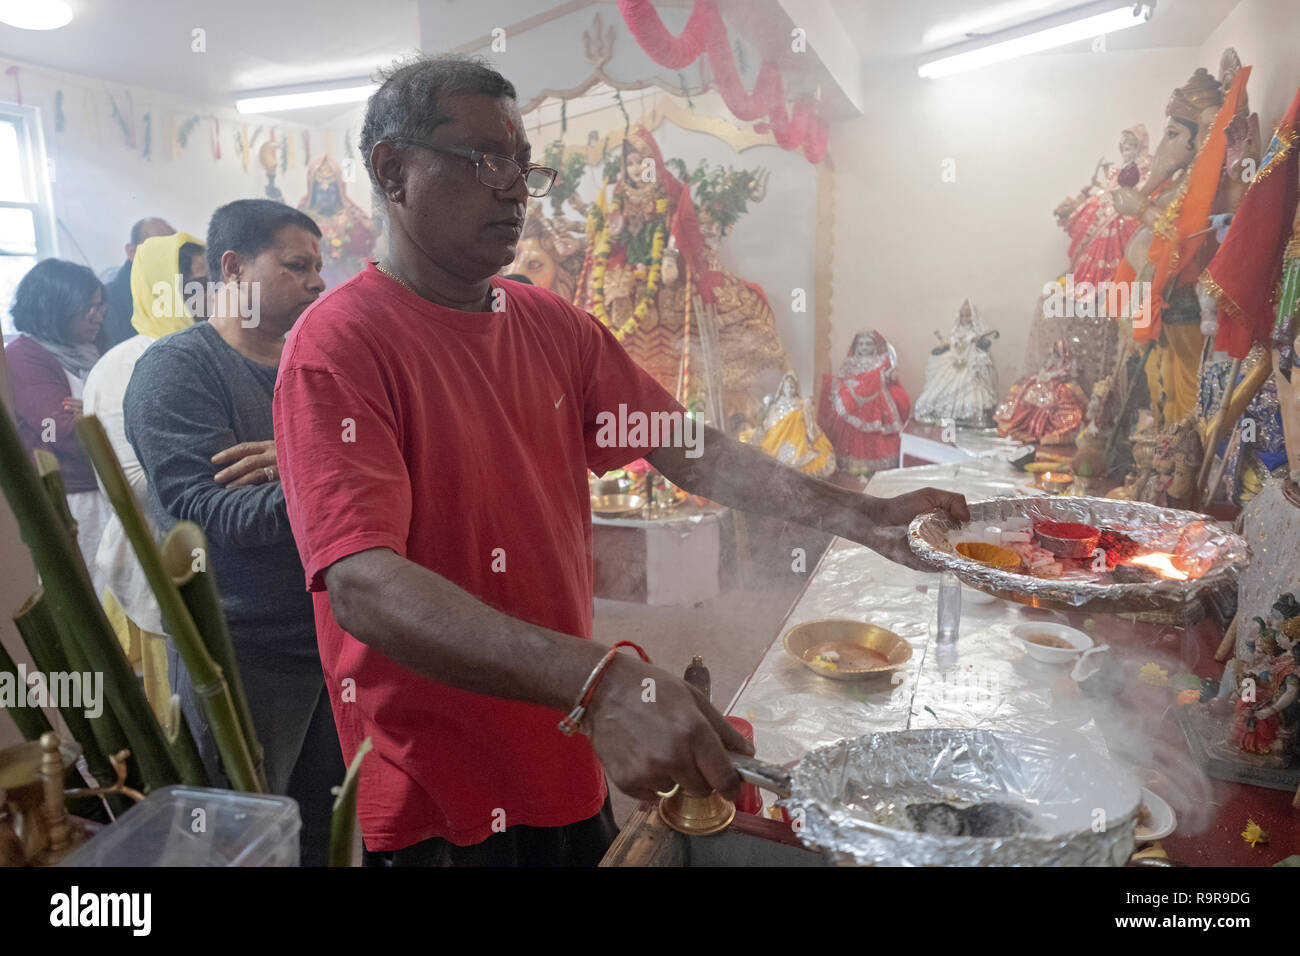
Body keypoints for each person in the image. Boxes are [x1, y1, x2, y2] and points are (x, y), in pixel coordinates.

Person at [272, 55, 967, 868]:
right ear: (392, 169)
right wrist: (598, 683)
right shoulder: (338, 345)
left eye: (525, 167)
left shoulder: (551, 326)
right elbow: (364, 585)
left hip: (564, 745)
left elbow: (689, 451)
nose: (515, 190)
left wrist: (859, 514)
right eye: (486, 160)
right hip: (438, 796)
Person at [124, 199, 342, 866]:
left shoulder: (314, 367)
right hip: (241, 653)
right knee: (240, 842)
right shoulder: (177, 372)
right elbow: (216, 519)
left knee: (326, 834)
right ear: (231, 265)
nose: (316, 283)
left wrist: (313, 468)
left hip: (332, 638)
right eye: (296, 265)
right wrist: (333, 468)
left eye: (318, 267)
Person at [83, 232, 207, 725]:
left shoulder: (218, 349)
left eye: (210, 282)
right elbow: (132, 481)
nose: (207, 295)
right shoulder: (124, 365)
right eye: (191, 284)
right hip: (155, 562)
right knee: (179, 721)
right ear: (159, 286)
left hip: (216, 562)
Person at [5, 259, 111, 585]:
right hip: (75, 500)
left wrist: (94, 414)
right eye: (86, 308)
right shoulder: (24, 356)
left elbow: (107, 417)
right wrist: (104, 417)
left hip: (102, 491)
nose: (98, 315)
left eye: (99, 306)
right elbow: (62, 431)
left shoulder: (88, 351)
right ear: (53, 307)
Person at [817, 330, 911, 476]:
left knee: (876, 428)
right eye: (861, 344)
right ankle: (854, 463)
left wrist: (889, 375)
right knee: (850, 413)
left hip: (877, 402)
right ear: (856, 346)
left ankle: (876, 463)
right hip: (855, 402)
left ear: (875, 346)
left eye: (868, 344)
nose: (864, 347)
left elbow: (889, 380)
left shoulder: (882, 361)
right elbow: (844, 380)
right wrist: (858, 390)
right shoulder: (850, 363)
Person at [913, 299, 1000, 428]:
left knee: (973, 394)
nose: (965, 318)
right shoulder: (954, 332)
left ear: (973, 316)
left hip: (969, 364)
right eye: (963, 315)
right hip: (952, 364)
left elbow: (982, 346)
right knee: (940, 390)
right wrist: (944, 347)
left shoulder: (975, 333)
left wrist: (980, 343)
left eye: (968, 315)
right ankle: (945, 418)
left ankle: (967, 419)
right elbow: (949, 345)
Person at [99, 218, 175, 351]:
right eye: (160, 247)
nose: (171, 255)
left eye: (174, 246)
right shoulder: (109, 299)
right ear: (131, 252)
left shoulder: (175, 288)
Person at [753, 371, 835, 477]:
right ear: (783, 388)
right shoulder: (778, 403)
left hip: (798, 436)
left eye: (792, 387)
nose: (789, 390)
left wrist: (812, 435)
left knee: (802, 455)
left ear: (796, 389)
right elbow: (771, 421)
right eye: (787, 387)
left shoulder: (802, 403)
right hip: (778, 436)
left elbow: (809, 424)